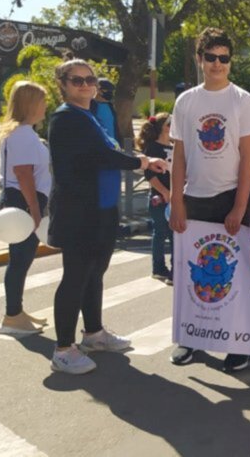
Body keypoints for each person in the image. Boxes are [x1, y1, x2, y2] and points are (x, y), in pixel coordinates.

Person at [47, 60, 167, 374]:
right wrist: (141, 161)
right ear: (63, 84)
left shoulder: (89, 116)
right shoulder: (66, 118)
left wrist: (135, 161)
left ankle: (94, 334)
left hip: (101, 208)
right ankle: (62, 349)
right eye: (77, 80)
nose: (86, 85)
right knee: (75, 277)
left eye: (90, 80)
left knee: (94, 273)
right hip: (79, 212)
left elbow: (106, 152)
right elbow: (100, 156)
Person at [167, 27, 250, 372]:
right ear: (200, 59)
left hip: (229, 197)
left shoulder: (242, 100)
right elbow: (178, 156)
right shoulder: (186, 101)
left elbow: (249, 157)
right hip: (194, 198)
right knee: (190, 272)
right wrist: (176, 201)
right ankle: (190, 337)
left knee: (234, 274)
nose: (217, 64)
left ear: (230, 61)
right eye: (211, 57)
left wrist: (239, 206)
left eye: (224, 58)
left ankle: (238, 343)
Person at [0, 81, 51, 336]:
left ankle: (16, 311)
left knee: (21, 259)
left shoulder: (22, 132)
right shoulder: (22, 135)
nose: (45, 106)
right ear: (30, 105)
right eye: (42, 101)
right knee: (20, 260)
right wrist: (35, 211)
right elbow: (23, 174)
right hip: (24, 202)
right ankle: (12, 316)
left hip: (22, 201)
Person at [136, 113, 174, 283]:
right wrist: (165, 192)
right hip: (159, 198)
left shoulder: (174, 146)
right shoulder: (153, 148)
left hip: (175, 198)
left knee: (175, 234)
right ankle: (158, 268)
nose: (173, 125)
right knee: (161, 233)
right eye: (169, 123)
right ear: (163, 127)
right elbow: (150, 174)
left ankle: (176, 267)